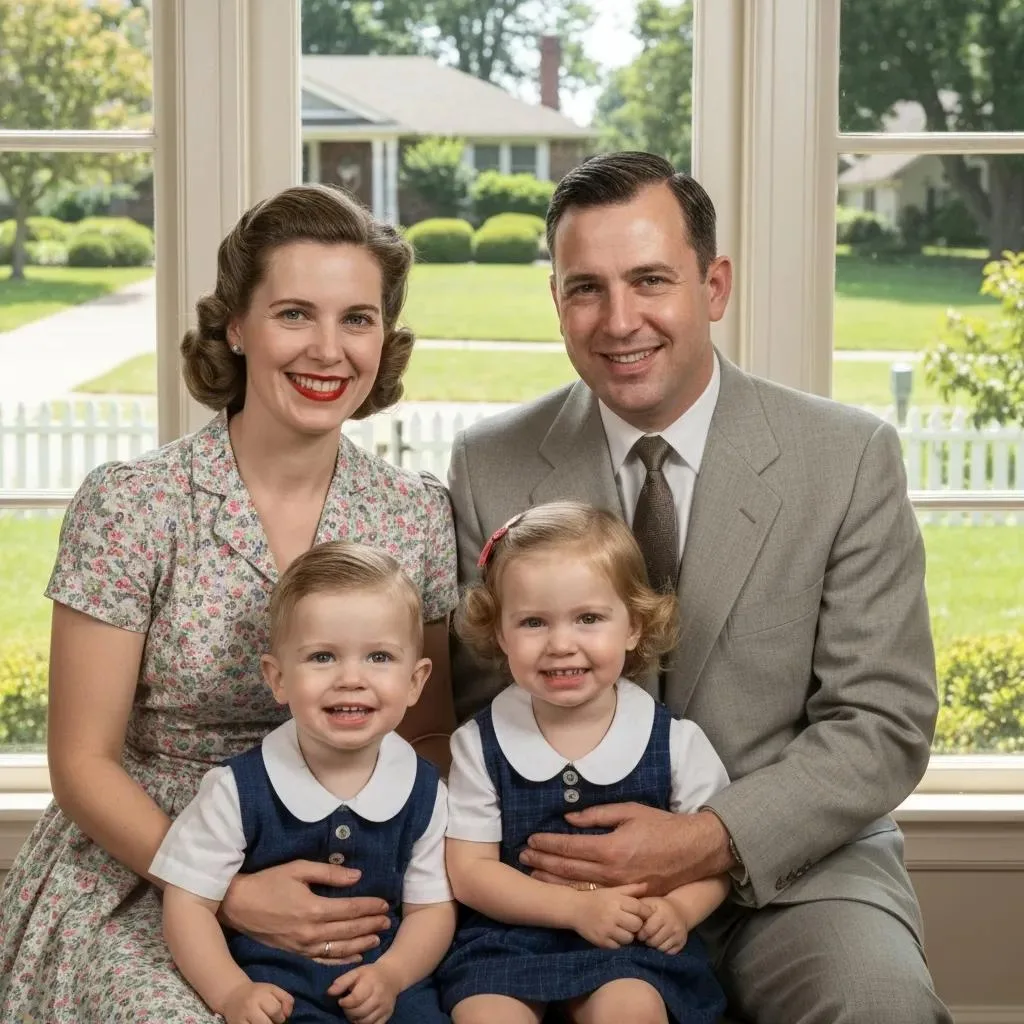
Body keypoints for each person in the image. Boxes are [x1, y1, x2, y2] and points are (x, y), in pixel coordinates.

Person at [446, 152, 951, 1023]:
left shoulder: (845, 457)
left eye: (650, 280)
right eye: (585, 288)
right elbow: (479, 708)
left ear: (713, 285)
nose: (618, 320)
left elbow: (882, 719)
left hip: (794, 868)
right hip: (560, 887)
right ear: (558, 302)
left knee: (878, 1005)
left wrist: (708, 839)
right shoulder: (488, 465)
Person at [0, 183, 459, 1024]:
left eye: (357, 319)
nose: (329, 350)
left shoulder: (415, 515)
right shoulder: (135, 505)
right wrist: (229, 892)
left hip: (352, 868)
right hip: (146, 866)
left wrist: (381, 878)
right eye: (294, 314)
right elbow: (82, 764)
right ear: (236, 328)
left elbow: (425, 732)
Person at [439, 501, 730, 1024]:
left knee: (631, 1009)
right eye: (533, 622)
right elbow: (470, 872)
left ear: (634, 626)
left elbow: (713, 860)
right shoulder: (479, 744)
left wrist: (679, 910)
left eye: (589, 618)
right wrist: (574, 909)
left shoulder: (676, 742)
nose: (561, 645)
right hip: (510, 938)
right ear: (501, 634)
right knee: (485, 1015)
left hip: (629, 939)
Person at [152, 542, 455, 1024]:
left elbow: (431, 911)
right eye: (322, 657)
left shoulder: (424, 793)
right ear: (278, 678)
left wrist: (394, 975)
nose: (351, 678)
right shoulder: (237, 790)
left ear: (416, 682)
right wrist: (230, 993)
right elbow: (187, 904)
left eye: (379, 656)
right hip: (275, 991)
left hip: (388, 992)